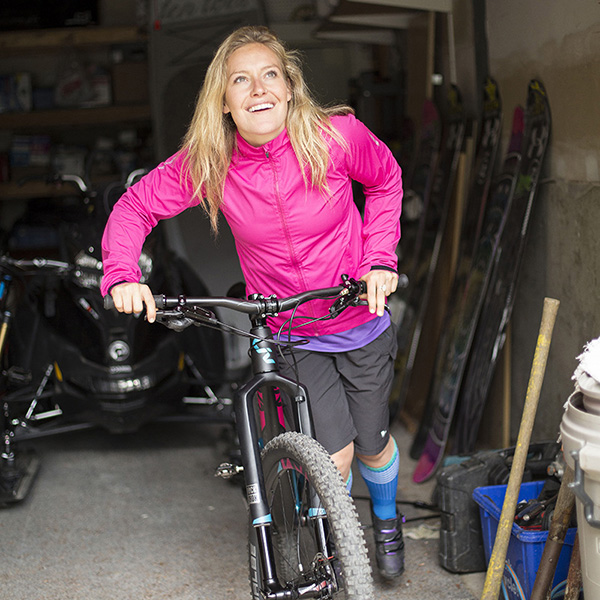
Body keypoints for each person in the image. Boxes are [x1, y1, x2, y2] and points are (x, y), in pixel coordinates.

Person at [101, 25, 404, 578]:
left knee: (373, 445)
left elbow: (385, 181)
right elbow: (135, 208)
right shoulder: (210, 162)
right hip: (291, 329)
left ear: (289, 87)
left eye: (270, 75)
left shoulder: (337, 136)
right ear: (223, 100)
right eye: (240, 80)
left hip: (359, 316)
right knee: (333, 455)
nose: (258, 89)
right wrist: (123, 274)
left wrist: (379, 259)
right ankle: (341, 557)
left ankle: (386, 520)